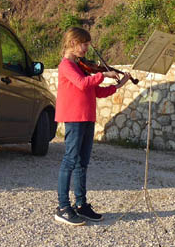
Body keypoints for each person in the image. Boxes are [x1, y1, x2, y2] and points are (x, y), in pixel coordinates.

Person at [54, 27, 132, 226]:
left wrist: (119, 84)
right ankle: (63, 207)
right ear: (73, 43)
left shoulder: (81, 66)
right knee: (70, 160)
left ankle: (81, 205)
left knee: (82, 162)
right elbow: (81, 83)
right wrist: (104, 74)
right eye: (85, 44)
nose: (87, 48)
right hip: (74, 118)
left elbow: (96, 92)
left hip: (87, 118)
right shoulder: (66, 65)